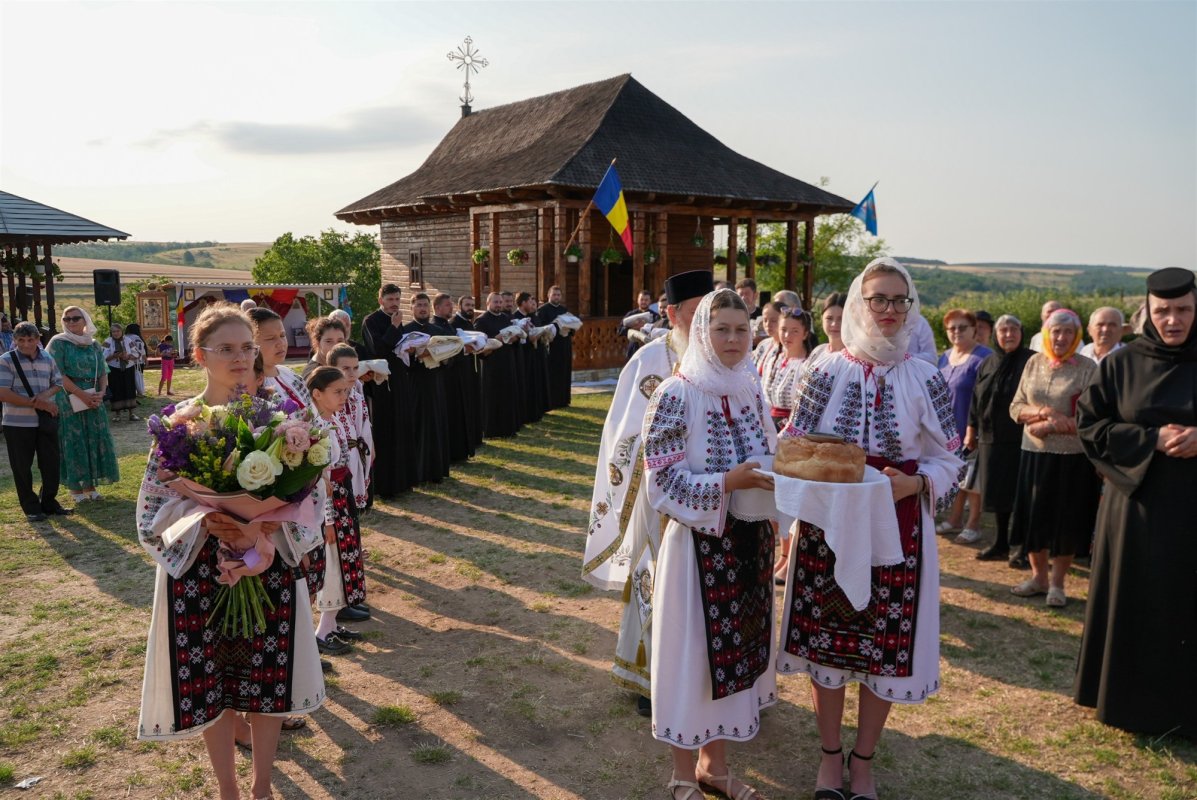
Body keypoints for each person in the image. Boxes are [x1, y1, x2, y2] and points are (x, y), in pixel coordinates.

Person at [779, 257, 964, 800]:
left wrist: (918, 484)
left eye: (898, 300)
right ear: (858, 303)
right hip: (827, 524)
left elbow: (953, 458)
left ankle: (864, 762)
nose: (887, 310)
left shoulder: (925, 376)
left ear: (911, 308)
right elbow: (792, 441)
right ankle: (830, 758)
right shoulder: (825, 370)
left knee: (882, 649)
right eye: (876, 299)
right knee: (825, 645)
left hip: (899, 524)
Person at [136, 303, 324, 800]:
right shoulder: (178, 426)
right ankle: (228, 790)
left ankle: (262, 785)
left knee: (267, 679)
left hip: (267, 567)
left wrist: (260, 531)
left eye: (247, 347)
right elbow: (151, 513)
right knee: (209, 684)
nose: (241, 358)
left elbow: (311, 501)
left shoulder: (286, 424)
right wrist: (209, 519)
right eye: (226, 349)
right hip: (199, 572)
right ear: (200, 355)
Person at [642, 288, 776, 800]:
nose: (733, 339)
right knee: (691, 659)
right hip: (697, 548)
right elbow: (662, 484)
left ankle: (714, 769)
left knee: (733, 657)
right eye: (721, 329)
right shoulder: (676, 394)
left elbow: (770, 454)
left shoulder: (750, 389)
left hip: (749, 543)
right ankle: (681, 775)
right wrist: (727, 482)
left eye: (742, 330)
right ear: (702, 331)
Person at [1074, 267, 1197, 738]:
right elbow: (1091, 428)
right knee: (1135, 601)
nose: (1173, 320)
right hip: (1136, 511)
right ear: (1147, 312)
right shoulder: (1121, 365)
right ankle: (1127, 703)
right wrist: (1152, 438)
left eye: (1183, 310)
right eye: (1163, 311)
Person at [583, 270, 712, 719]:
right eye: (696, 313)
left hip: (719, 501)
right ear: (672, 313)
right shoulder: (650, 361)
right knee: (659, 582)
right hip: (662, 500)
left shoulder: (731, 357)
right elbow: (624, 430)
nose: (704, 323)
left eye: (708, 312)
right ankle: (653, 679)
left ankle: (718, 676)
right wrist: (667, 456)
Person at [1007, 308, 1099, 607]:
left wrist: (1050, 426)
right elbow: (1015, 406)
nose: (1061, 337)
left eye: (1067, 332)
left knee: (1066, 521)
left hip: (1072, 459)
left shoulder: (1088, 369)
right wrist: (1043, 413)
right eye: (1055, 331)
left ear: (1076, 336)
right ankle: (1038, 578)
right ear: (1047, 333)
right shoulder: (1033, 362)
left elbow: (1093, 418)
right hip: (1034, 456)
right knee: (1035, 519)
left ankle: (1057, 584)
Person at [307, 364, 368, 654]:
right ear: (317, 394)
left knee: (343, 560)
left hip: (342, 499)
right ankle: (321, 631)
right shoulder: (316, 426)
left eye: (346, 390)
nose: (344, 396)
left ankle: (330, 624)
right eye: (337, 391)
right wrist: (328, 520)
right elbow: (324, 478)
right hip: (329, 506)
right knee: (331, 563)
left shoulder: (332, 419)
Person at [967, 315, 1034, 562]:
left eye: (1013, 329)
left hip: (1022, 438)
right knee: (997, 494)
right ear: (996, 335)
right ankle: (1001, 543)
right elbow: (976, 397)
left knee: (1020, 494)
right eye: (1003, 330)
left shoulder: (1032, 361)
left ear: (1021, 332)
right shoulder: (988, 362)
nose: (1008, 334)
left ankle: (1022, 547)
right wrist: (970, 429)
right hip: (989, 437)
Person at [0, 321, 69, 521]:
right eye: (21, 340)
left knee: (51, 464)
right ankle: (31, 507)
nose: (26, 344)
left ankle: (48, 502)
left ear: (38, 339)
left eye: (30, 339)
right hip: (17, 423)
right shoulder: (6, 360)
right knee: (21, 466)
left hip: (45, 421)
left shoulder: (47, 357)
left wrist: (44, 397)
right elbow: (4, 393)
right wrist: (40, 404)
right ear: (14, 340)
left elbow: (57, 382)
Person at [48, 307, 118, 503]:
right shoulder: (58, 343)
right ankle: (75, 489)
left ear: (85, 320)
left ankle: (90, 486)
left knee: (94, 438)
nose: (71, 322)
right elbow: (59, 374)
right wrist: (81, 395)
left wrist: (101, 393)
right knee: (74, 440)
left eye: (75, 318)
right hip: (69, 397)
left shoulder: (93, 344)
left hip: (94, 396)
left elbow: (103, 371)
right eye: (66, 319)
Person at [935, 309, 993, 544]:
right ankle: (955, 519)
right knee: (957, 476)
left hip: (971, 428)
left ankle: (973, 524)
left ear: (974, 330)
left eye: (962, 327)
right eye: (952, 328)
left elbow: (986, 397)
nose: (957, 332)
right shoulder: (944, 357)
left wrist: (976, 428)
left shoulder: (984, 358)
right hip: (946, 429)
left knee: (973, 479)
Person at [765, 307, 814, 583]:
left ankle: (789, 556)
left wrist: (784, 434)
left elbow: (802, 408)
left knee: (788, 500)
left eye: (794, 331)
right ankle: (782, 554)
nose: (787, 335)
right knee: (774, 497)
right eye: (784, 330)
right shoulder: (775, 358)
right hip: (771, 427)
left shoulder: (806, 365)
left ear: (805, 333)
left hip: (791, 433)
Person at [362, 283, 414, 497]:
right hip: (382, 386)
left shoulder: (399, 320)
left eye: (397, 300)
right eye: (390, 300)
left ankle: (403, 480)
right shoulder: (371, 321)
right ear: (380, 300)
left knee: (402, 430)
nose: (394, 304)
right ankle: (386, 486)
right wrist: (393, 327)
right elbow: (378, 350)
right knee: (386, 432)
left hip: (400, 381)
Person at [402, 293, 451, 484]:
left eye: (425, 305)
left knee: (436, 424)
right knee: (418, 424)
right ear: (412, 308)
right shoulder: (405, 331)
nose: (423, 308)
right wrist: (415, 356)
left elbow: (450, 357)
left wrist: (439, 356)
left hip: (436, 382)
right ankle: (418, 471)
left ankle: (436, 470)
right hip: (415, 383)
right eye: (419, 305)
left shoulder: (438, 330)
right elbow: (401, 360)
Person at [434, 293, 476, 461]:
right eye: (447, 305)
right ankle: (452, 453)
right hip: (446, 377)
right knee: (451, 415)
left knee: (460, 413)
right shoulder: (436, 327)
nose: (451, 308)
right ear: (437, 308)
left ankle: (461, 451)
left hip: (457, 376)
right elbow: (444, 351)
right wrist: (464, 350)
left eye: (451, 305)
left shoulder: (448, 326)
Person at [475, 292, 522, 437]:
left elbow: (514, 340)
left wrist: (515, 338)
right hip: (491, 364)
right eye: (495, 302)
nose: (499, 305)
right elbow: (479, 344)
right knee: (492, 397)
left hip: (507, 362)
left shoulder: (506, 318)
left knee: (508, 395)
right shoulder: (481, 321)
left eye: (500, 302)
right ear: (488, 303)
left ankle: (508, 428)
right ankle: (492, 430)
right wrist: (495, 339)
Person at [534, 285, 574, 409]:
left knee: (564, 371)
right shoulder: (543, 310)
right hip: (552, 345)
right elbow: (541, 327)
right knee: (553, 372)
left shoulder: (564, 310)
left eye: (558, 295)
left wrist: (570, 329)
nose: (556, 297)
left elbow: (572, 325)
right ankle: (552, 401)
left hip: (565, 344)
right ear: (548, 295)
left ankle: (564, 400)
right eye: (554, 294)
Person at [103, 322, 140, 422]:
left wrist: (128, 356)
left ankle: (132, 413)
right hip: (114, 369)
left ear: (122, 331)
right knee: (116, 390)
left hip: (128, 367)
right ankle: (117, 414)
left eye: (118, 331)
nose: (116, 333)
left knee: (130, 389)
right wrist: (114, 356)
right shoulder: (107, 341)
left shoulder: (128, 340)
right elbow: (102, 356)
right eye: (113, 331)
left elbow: (137, 353)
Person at [618, 290, 660, 359]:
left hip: (649, 348)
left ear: (650, 301)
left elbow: (657, 331)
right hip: (633, 348)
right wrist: (633, 328)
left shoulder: (655, 316)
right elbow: (620, 330)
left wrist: (645, 326)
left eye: (646, 300)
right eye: (641, 299)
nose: (643, 302)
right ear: (637, 300)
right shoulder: (630, 314)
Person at [809, 292, 847, 363]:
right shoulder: (818, 352)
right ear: (821, 319)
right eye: (829, 318)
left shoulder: (854, 360)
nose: (834, 324)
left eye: (841, 319)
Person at [125, 322, 149, 396]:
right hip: (138, 361)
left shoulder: (124, 337)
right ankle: (139, 391)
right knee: (138, 376)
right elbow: (141, 349)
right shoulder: (136, 337)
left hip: (127, 361)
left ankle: (131, 392)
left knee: (129, 378)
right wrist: (145, 359)